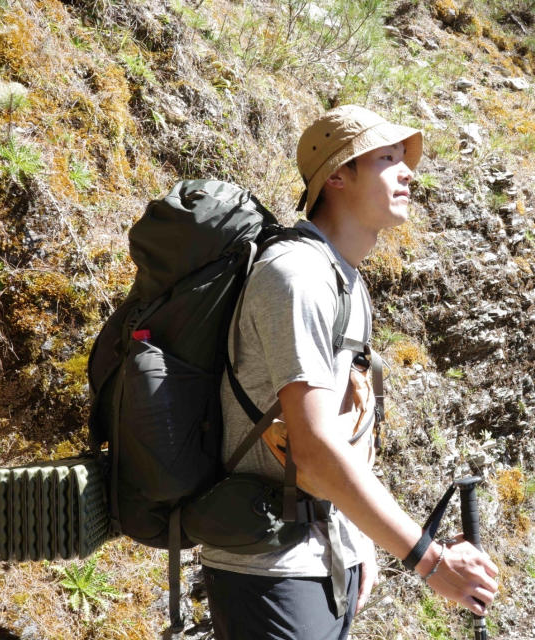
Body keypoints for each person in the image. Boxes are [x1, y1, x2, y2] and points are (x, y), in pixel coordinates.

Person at [199, 105, 499, 639]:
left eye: (404, 158)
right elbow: (312, 451)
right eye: (387, 158)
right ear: (337, 176)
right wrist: (429, 561)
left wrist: (358, 539)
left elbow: (344, 426)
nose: (408, 170)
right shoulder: (296, 277)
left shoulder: (346, 282)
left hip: (324, 557)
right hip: (271, 571)